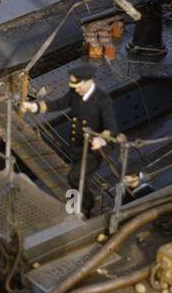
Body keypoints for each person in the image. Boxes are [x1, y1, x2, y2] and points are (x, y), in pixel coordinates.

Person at [21, 64, 119, 214]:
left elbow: (111, 127)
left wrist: (101, 139)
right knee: (80, 178)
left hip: (94, 149)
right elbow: (58, 104)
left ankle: (85, 207)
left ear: (88, 82)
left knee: (75, 177)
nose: (75, 88)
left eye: (78, 85)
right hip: (78, 146)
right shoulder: (75, 94)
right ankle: (79, 204)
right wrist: (33, 107)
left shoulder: (102, 100)